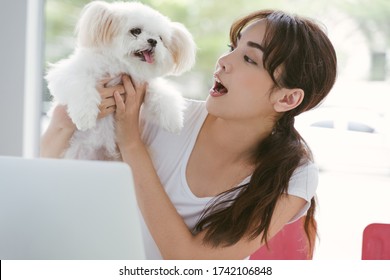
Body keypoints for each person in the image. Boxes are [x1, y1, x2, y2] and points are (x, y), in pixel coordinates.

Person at [41, 9, 337, 259]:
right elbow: (45, 183)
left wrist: (131, 143)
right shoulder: (160, 113)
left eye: (249, 59)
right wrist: (63, 122)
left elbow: (190, 261)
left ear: (287, 99)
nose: (224, 61)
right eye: (233, 47)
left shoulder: (295, 175)